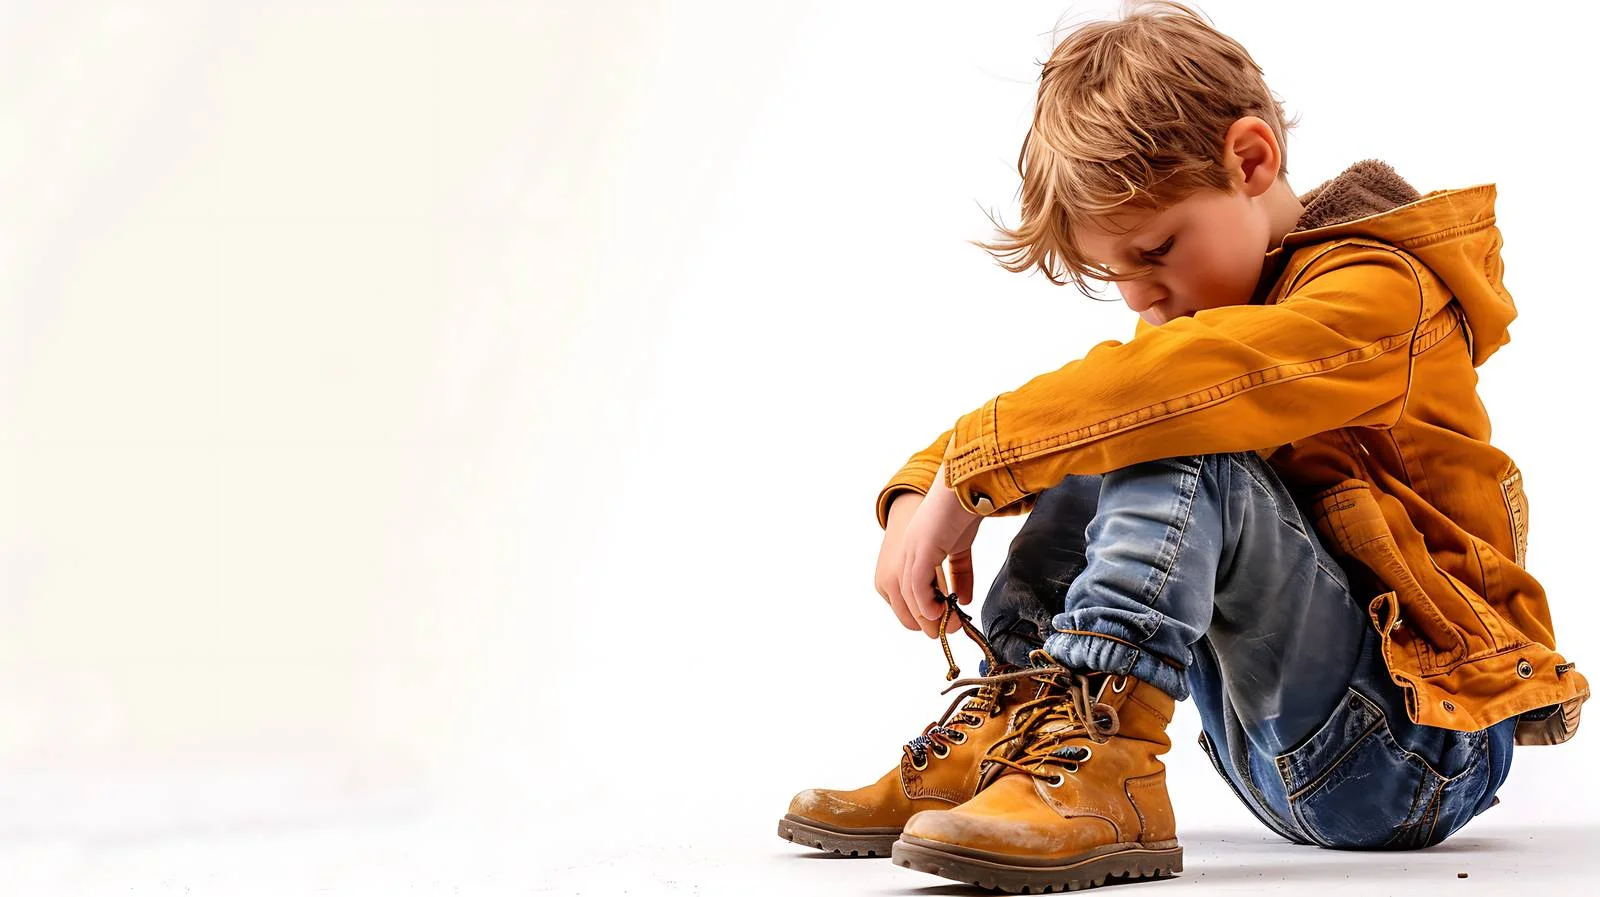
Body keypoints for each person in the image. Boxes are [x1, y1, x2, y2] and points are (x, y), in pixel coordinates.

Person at [776, 2, 1589, 891]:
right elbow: (1104, 399)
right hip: (1286, 742)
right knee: (1111, 428)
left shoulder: (1381, 296)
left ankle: (1110, 755)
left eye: (1155, 251)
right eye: (1115, 275)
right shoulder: (1223, 329)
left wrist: (974, 469)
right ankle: (1021, 734)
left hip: (1415, 752)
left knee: (1174, 430)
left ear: (1250, 159)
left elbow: (1170, 388)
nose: (1137, 300)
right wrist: (924, 487)